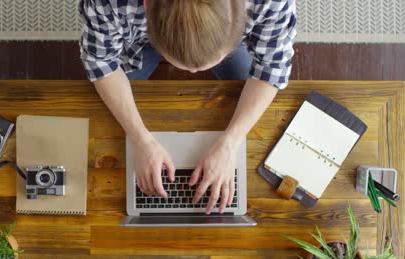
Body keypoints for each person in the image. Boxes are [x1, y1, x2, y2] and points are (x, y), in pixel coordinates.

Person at [79, 0, 296, 214]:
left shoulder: (271, 2)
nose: (193, 72)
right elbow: (101, 62)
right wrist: (140, 139)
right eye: (180, 62)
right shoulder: (107, 3)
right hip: (139, 38)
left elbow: (271, 67)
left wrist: (231, 142)